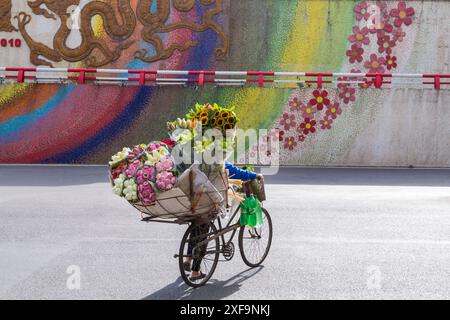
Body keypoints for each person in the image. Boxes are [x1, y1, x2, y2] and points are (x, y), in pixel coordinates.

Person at [183, 162, 263, 281]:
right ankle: (195, 272)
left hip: (194, 199)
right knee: (204, 235)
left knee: (196, 228)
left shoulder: (197, 158)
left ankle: (188, 258)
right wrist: (254, 175)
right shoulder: (216, 159)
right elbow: (235, 171)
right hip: (208, 199)